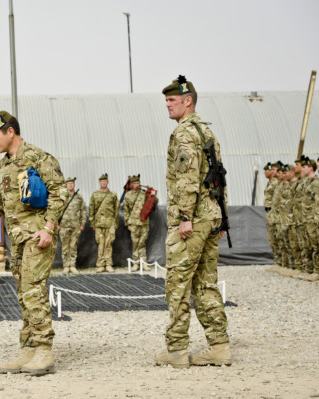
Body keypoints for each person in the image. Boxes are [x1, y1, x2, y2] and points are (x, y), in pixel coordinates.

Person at [0, 110, 66, 376]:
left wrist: (48, 227)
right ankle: (30, 349)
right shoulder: (3, 166)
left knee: (33, 289)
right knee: (23, 294)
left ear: (11, 131)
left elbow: (60, 192)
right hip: (18, 240)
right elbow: (0, 202)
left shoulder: (38, 157)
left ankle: (44, 350)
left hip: (38, 236)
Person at [155, 76, 231, 368]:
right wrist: (222, 219)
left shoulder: (185, 133)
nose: (168, 105)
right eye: (166, 101)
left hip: (192, 221)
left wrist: (185, 217)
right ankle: (219, 346)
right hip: (210, 219)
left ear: (188, 101)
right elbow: (219, 178)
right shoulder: (207, 131)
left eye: (172, 101)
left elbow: (187, 180)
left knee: (177, 284)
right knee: (206, 284)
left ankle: (176, 350)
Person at [89, 174, 119, 273]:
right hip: (98, 224)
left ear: (107, 182)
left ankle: (109, 264)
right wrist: (92, 223)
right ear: (99, 182)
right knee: (101, 244)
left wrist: (115, 224)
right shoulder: (94, 195)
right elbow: (91, 209)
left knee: (109, 244)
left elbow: (116, 210)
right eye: (102, 181)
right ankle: (101, 264)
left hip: (110, 223)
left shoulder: (113, 195)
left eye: (105, 181)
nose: (103, 183)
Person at [122, 175, 152, 270]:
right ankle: (136, 263)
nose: (136, 185)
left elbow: (153, 203)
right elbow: (126, 210)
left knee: (142, 242)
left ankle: (143, 262)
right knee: (135, 243)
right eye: (134, 183)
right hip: (134, 222)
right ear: (131, 184)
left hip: (144, 222)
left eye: (138, 183)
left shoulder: (144, 193)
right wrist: (127, 223)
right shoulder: (128, 195)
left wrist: (152, 194)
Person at [58, 177, 86, 274]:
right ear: (66, 185)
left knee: (73, 246)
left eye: (72, 183)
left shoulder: (79, 197)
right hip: (63, 225)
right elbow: (56, 211)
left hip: (75, 225)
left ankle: (72, 265)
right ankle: (66, 266)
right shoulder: (61, 198)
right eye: (68, 183)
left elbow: (83, 211)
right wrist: (57, 224)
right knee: (65, 246)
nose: (70, 185)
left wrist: (82, 224)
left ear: (74, 185)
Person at [263, 162, 280, 265]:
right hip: (269, 212)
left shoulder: (276, 183)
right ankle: (277, 261)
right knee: (272, 238)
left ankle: (280, 262)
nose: (265, 173)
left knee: (276, 236)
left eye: (266, 170)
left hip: (274, 212)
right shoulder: (270, 183)